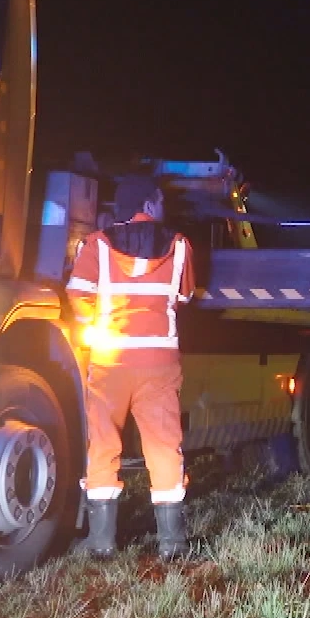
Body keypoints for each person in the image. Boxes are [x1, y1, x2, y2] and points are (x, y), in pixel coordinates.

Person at [66, 175, 196, 559]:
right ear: (150, 205)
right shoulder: (180, 245)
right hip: (158, 362)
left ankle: (101, 542)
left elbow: (78, 294)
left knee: (104, 446)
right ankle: (172, 544)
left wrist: (98, 325)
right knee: (163, 448)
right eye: (160, 201)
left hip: (111, 363)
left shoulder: (97, 245)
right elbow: (185, 295)